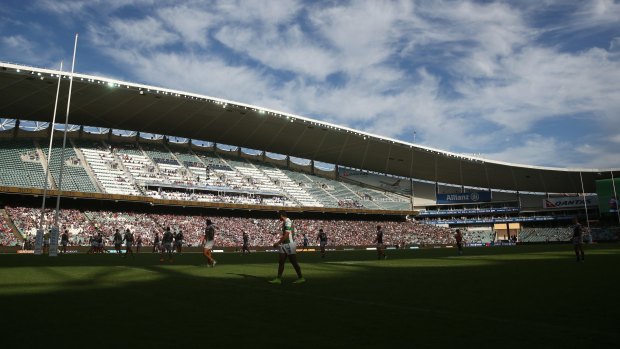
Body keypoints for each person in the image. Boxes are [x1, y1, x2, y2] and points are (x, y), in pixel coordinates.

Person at [269, 211, 304, 284]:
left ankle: (301, 277)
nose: (278, 218)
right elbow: (291, 232)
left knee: (293, 261)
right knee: (281, 261)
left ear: (281, 215)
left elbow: (287, 234)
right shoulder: (285, 222)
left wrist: (278, 243)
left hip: (289, 244)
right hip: (284, 244)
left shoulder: (288, 221)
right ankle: (278, 279)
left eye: (279, 216)